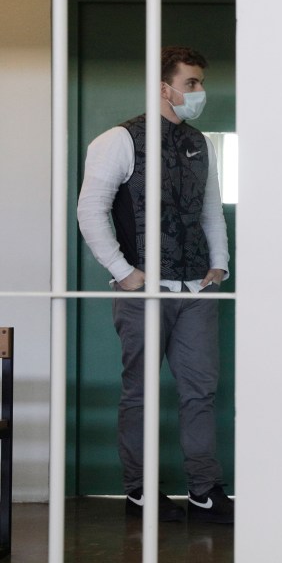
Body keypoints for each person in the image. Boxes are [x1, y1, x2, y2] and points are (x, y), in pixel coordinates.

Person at [77, 46, 234, 524]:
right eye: (191, 83)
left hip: (196, 292)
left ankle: (205, 491)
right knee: (140, 394)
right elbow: (91, 210)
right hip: (143, 293)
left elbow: (211, 209)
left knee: (199, 393)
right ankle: (140, 491)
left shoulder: (201, 144)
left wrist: (220, 265)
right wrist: (124, 273)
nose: (199, 92)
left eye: (201, 83)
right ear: (164, 87)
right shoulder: (119, 140)